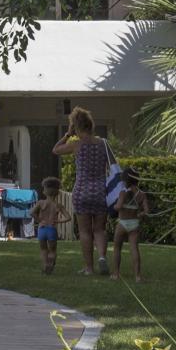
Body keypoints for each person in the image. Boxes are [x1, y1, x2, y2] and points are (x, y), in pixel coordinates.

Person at [52, 107, 114, 276]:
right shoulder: (103, 144)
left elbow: (55, 150)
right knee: (99, 229)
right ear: (90, 124)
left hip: (82, 192)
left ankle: (89, 268)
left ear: (75, 126)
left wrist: (67, 134)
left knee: (85, 231)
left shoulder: (76, 145)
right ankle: (102, 257)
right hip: (100, 192)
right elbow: (113, 165)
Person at [110, 168, 153, 283]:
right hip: (134, 224)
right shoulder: (142, 195)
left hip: (122, 224)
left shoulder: (123, 193)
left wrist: (114, 207)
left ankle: (116, 274)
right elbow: (147, 211)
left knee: (117, 248)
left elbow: (118, 207)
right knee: (134, 249)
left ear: (125, 180)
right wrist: (139, 214)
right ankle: (138, 276)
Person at [32, 176, 69, 274]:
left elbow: (32, 213)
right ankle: (51, 263)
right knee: (52, 250)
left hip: (42, 229)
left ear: (45, 191)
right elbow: (68, 217)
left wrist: (40, 220)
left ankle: (45, 265)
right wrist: (58, 221)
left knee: (43, 249)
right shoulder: (58, 205)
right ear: (57, 192)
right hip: (52, 229)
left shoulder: (41, 203)